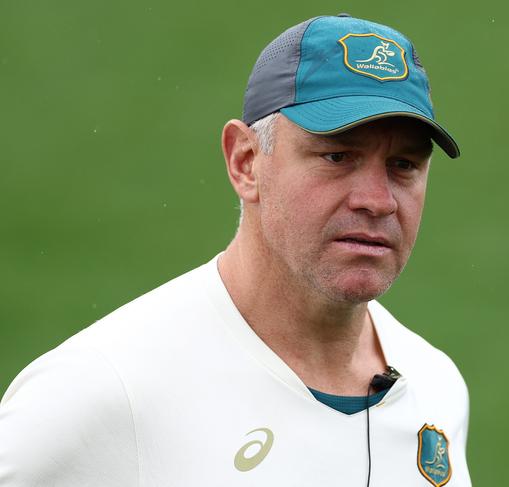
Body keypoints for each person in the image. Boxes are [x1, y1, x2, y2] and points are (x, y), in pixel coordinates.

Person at [0, 14, 471, 487]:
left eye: (403, 165)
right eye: (337, 156)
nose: (378, 200)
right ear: (245, 162)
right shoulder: (101, 391)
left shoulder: (435, 386)